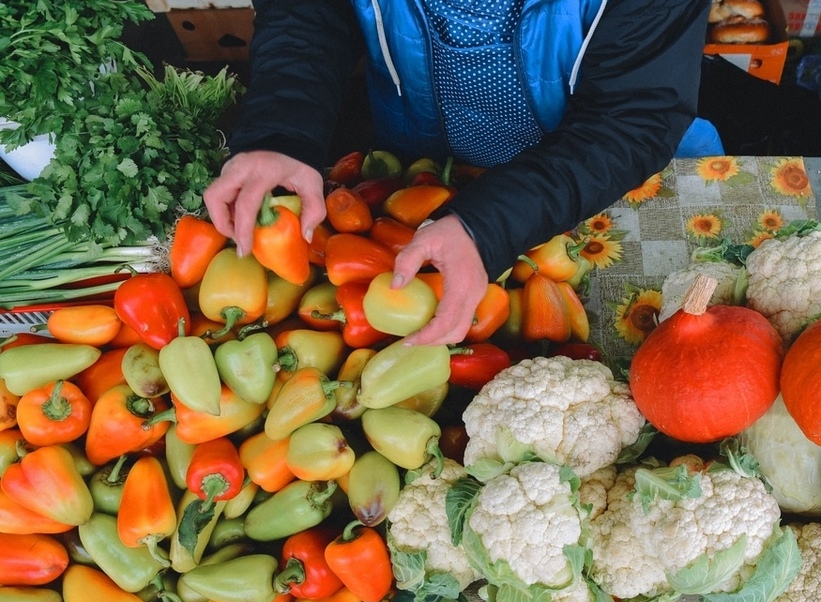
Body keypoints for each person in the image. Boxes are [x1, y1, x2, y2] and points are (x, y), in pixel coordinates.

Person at [203, 0, 722, 346]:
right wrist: (281, 131)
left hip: (600, 174)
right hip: (425, 163)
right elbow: (307, 15)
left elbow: (634, 113)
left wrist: (489, 225)